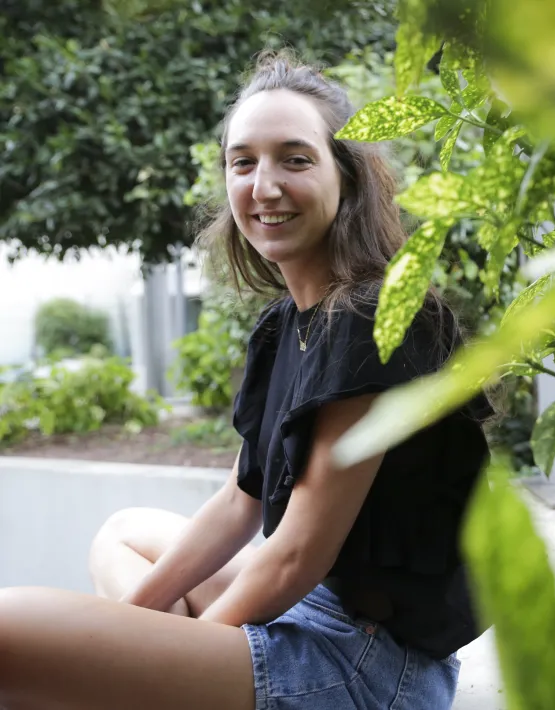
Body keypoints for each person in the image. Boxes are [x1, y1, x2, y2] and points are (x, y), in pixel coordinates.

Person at [0, 49, 493, 710]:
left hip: (369, 665)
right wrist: (136, 636)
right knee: (123, 533)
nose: (264, 186)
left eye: (295, 158)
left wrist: (173, 653)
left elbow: (295, 556)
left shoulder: (379, 317)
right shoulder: (286, 324)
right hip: (317, 613)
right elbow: (240, 502)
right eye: (244, 161)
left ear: (345, 177)